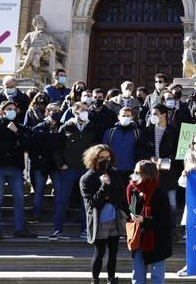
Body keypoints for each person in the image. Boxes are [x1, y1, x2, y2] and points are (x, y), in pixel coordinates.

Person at [126, 159, 172, 284]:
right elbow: (130, 209)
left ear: (148, 174)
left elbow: (165, 220)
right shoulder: (132, 190)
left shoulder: (159, 193)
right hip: (139, 239)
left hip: (157, 240)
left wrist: (145, 220)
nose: (134, 175)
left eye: (138, 172)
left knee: (157, 275)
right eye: (134, 171)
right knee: (137, 275)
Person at [81, 144, 128, 284]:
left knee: (113, 252)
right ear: (94, 159)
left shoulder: (115, 173)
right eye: (101, 158)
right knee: (100, 252)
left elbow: (121, 196)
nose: (105, 161)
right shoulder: (87, 178)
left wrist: (108, 196)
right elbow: (92, 203)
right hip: (99, 221)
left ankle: (112, 283)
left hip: (114, 218)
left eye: (108, 157)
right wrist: (104, 186)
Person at [0, 100, 34, 240]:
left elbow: (28, 144)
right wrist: (15, 145)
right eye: (9, 109)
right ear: (2, 111)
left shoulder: (19, 127)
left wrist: (17, 132)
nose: (12, 111)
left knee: (19, 198)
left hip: (15, 167)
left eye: (14, 109)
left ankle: (19, 229)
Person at [52, 101, 99, 239]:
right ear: (75, 111)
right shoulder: (65, 127)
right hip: (68, 169)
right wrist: (61, 164)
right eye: (82, 109)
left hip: (86, 169)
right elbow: (57, 148)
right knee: (62, 199)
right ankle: (57, 230)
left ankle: (85, 229)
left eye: (86, 109)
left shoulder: (93, 127)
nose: (85, 111)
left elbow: (97, 148)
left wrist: (93, 165)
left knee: (86, 200)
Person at [137, 103, 180, 218]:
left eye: (155, 114)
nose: (153, 116)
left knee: (171, 203)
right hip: (150, 173)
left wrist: (165, 161)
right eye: (152, 114)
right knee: (150, 203)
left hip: (168, 173)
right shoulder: (147, 131)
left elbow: (178, 152)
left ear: (163, 115)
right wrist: (150, 158)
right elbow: (140, 150)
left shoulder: (174, 132)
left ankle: (171, 227)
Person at [28, 104, 64, 222]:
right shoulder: (39, 127)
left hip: (56, 164)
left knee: (59, 189)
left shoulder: (62, 127)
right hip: (41, 164)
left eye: (58, 110)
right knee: (39, 190)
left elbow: (60, 144)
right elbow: (37, 145)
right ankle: (36, 214)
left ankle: (59, 214)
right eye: (53, 110)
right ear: (47, 112)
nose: (56, 113)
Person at [105, 105, 142, 186]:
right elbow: (104, 151)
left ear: (132, 117)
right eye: (123, 115)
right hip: (113, 170)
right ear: (118, 117)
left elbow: (141, 151)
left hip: (132, 170)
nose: (125, 117)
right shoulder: (110, 132)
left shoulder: (138, 133)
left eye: (128, 116)